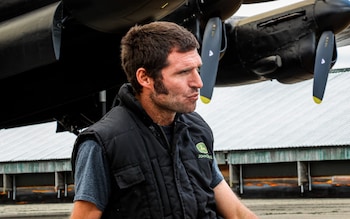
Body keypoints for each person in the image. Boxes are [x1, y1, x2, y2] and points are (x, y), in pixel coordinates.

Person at [70, 21, 258, 219]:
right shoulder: (101, 143)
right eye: (184, 72)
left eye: (198, 69)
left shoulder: (197, 131)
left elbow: (236, 214)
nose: (199, 83)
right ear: (145, 78)